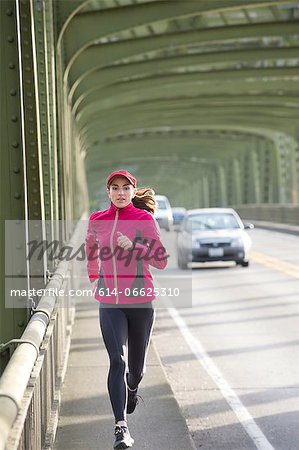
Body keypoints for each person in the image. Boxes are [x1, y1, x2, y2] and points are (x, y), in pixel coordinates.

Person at [85, 170, 168, 449]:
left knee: (136, 370)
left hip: (141, 301)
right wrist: (96, 281)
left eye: (125, 188)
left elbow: (161, 260)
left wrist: (134, 247)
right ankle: (121, 427)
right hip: (111, 303)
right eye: (114, 188)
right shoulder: (97, 220)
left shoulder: (144, 220)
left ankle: (132, 389)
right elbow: (90, 255)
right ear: (107, 192)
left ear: (133, 192)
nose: (120, 192)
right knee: (116, 361)